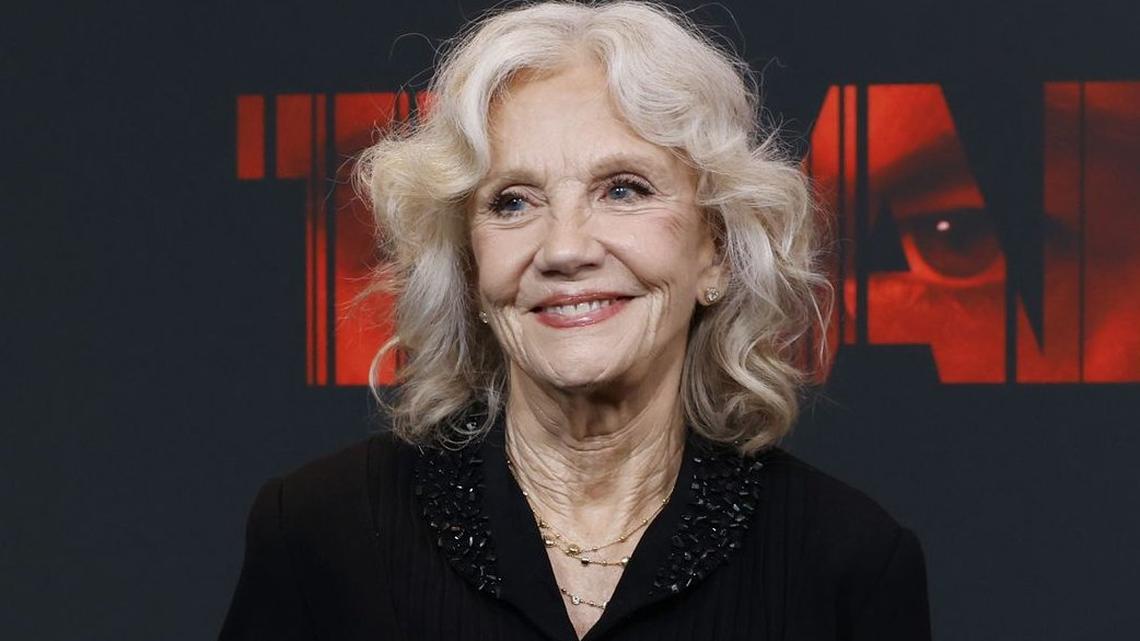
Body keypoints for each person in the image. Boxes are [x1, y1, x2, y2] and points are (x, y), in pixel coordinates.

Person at [218, 1, 932, 639]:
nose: (563, 248)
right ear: (469, 267)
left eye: (623, 189)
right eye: (513, 202)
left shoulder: (847, 566)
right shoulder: (319, 536)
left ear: (715, 250)